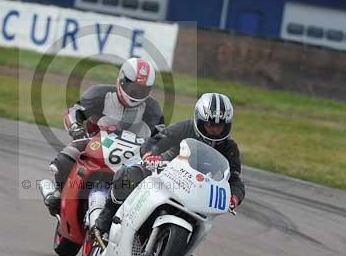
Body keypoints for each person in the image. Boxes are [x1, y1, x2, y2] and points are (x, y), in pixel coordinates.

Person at [94, 92, 246, 235]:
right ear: (200, 120)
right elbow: (156, 141)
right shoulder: (185, 128)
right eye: (210, 124)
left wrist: (234, 197)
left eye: (219, 126)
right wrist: (151, 155)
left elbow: (234, 180)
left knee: (204, 220)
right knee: (131, 175)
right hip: (166, 173)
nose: (214, 130)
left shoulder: (229, 148)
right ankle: (105, 217)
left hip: (196, 191)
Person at [43, 57, 164, 215]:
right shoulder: (99, 94)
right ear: (121, 80)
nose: (136, 94)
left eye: (142, 90)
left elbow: (162, 134)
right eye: (132, 88)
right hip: (95, 142)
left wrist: (159, 149)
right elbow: (74, 112)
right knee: (65, 159)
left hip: (133, 152)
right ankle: (59, 193)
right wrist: (76, 128)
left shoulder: (153, 108)